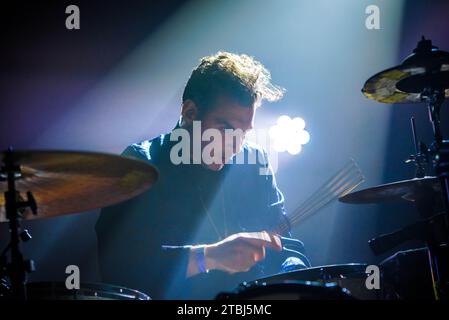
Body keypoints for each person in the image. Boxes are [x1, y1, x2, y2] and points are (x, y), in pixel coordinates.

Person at [95, 52, 310, 299]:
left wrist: (294, 272)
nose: (235, 146)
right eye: (225, 128)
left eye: (244, 133)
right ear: (189, 113)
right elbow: (118, 269)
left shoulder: (254, 161)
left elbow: (287, 246)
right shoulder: (141, 163)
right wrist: (208, 256)